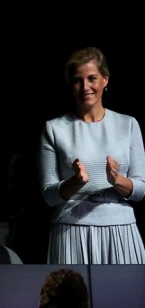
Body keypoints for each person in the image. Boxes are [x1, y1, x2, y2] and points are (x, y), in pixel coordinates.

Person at [38, 46, 145, 264]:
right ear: (70, 85)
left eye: (92, 78)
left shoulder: (128, 124)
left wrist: (116, 180)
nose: (85, 87)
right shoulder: (54, 128)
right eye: (78, 80)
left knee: (126, 296)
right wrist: (75, 182)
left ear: (105, 79)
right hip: (71, 230)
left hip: (120, 229)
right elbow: (49, 195)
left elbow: (140, 190)